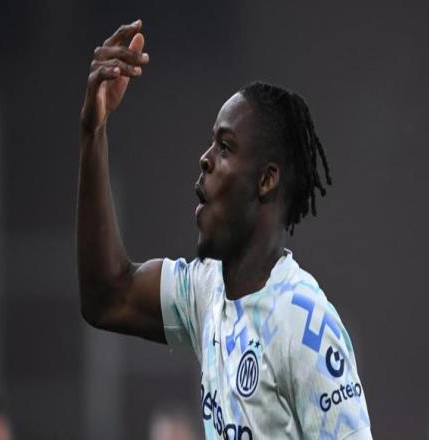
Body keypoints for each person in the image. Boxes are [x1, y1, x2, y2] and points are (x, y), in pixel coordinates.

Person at [77, 19, 372, 440]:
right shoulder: (207, 291)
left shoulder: (305, 324)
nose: (205, 158)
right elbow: (105, 297)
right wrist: (94, 132)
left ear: (266, 180)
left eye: (226, 146)